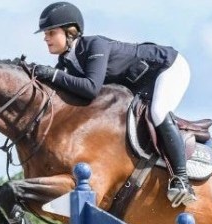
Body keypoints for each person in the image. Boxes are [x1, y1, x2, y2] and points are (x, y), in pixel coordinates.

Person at [32, 2, 196, 206]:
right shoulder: (67, 61)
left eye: (51, 32)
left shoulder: (94, 45)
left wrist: (53, 75)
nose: (45, 38)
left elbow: (91, 88)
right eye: (45, 33)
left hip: (168, 67)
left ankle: (181, 179)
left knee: (158, 112)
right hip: (141, 85)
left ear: (70, 32)